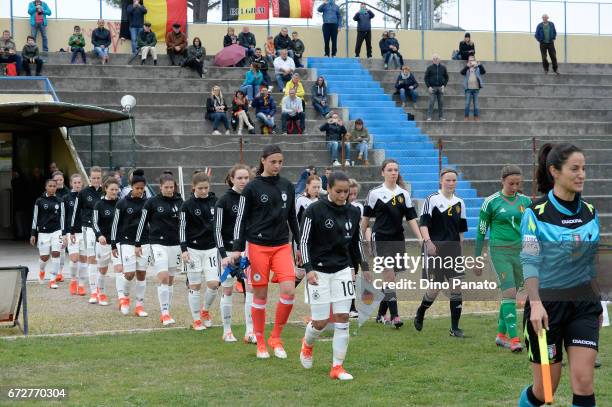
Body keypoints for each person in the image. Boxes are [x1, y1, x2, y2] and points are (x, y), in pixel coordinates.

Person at [517, 143, 601, 407]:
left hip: (583, 304)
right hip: (547, 306)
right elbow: (529, 260)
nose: (582, 175)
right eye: (574, 169)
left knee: (584, 382)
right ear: (554, 171)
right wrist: (536, 304)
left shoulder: (590, 212)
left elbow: (590, 262)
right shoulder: (534, 214)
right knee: (545, 391)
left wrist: (597, 303)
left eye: (584, 169)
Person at [229, 144, 302, 359]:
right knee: (260, 295)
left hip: (281, 246)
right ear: (263, 161)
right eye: (273, 162)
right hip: (257, 247)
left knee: (289, 290)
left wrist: (299, 246)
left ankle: (275, 337)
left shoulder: (288, 186)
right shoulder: (252, 188)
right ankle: (260, 341)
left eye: (280, 162)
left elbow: (293, 219)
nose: (277, 165)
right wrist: (236, 249)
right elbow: (240, 219)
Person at [299, 171, 369, 381]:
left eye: (346, 192)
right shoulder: (314, 210)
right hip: (318, 271)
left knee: (343, 318)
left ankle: (337, 367)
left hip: (342, 270)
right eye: (338, 191)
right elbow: (303, 242)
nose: (342, 196)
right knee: (320, 323)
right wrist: (308, 268)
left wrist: (364, 266)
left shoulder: (354, 212)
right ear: (328, 189)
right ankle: (307, 345)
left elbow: (356, 242)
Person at [475, 165, 531, 352]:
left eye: (518, 183)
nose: (514, 187)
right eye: (511, 183)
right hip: (499, 252)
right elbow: (481, 231)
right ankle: (514, 340)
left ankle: (500, 336)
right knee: (509, 292)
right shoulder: (491, 202)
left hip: (520, 252)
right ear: (502, 181)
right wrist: (476, 258)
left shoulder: (525, 201)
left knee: (513, 294)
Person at [362, 160, 422, 327]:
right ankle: (395, 316)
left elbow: (411, 218)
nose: (393, 172)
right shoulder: (374, 193)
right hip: (380, 238)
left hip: (398, 239)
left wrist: (419, 238)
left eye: (396, 170)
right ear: (383, 172)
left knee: (390, 279)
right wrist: (361, 240)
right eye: (390, 170)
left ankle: (381, 314)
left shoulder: (404, 194)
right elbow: (365, 220)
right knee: (389, 276)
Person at [414, 168, 468, 337]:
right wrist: (428, 242)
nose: (451, 183)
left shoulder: (460, 202)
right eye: (448, 180)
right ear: (441, 181)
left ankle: (455, 328)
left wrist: (460, 248)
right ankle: (421, 311)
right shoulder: (432, 199)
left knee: (456, 286)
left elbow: (461, 230)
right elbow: (423, 224)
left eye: (454, 180)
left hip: (453, 251)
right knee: (435, 287)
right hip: (435, 249)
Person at [135, 172, 183, 326]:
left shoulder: (180, 202)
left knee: (170, 280)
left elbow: (184, 224)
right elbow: (142, 223)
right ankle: (165, 314)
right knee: (163, 277)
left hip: (175, 245)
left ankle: (167, 309)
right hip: (157, 244)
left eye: (171, 187)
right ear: (160, 187)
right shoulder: (151, 203)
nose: (169, 190)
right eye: (166, 187)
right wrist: (138, 243)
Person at [215, 165, 255, 343]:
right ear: (232, 179)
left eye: (246, 178)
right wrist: (223, 254)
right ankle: (227, 330)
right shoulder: (223, 201)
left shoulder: (252, 199)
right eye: (240, 178)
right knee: (228, 289)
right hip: (228, 253)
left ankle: (250, 331)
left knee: (250, 289)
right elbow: (216, 231)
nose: (244, 181)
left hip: (248, 251)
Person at [180, 171, 220, 332]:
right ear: (193, 187)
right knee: (195, 286)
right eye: (200, 188)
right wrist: (184, 250)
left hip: (211, 249)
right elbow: (182, 228)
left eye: (206, 187)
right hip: (193, 249)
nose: (203, 191)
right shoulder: (187, 205)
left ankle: (205, 311)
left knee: (214, 284)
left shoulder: (216, 202)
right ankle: (196, 319)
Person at [111, 169, 150, 317]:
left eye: (142, 188)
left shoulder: (148, 203)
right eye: (137, 188)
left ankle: (139, 305)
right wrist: (114, 244)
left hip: (144, 242)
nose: (139, 191)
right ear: (131, 187)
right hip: (126, 242)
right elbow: (115, 225)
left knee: (141, 274)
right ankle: (125, 299)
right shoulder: (122, 203)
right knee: (129, 274)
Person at [70, 166, 103, 303]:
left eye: (98, 178)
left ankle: (101, 291)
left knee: (101, 262)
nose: (96, 180)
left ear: (101, 178)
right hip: (87, 229)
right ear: (89, 178)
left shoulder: (106, 191)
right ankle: (94, 292)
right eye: (93, 178)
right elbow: (75, 212)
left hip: (102, 231)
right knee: (91, 259)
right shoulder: (83, 193)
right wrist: (71, 230)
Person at [92, 177, 122, 306]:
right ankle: (101, 293)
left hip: (118, 243)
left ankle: (122, 298)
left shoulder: (121, 203)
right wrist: (99, 235)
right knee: (102, 270)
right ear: (106, 189)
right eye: (112, 189)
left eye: (116, 189)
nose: (114, 192)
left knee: (119, 269)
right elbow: (94, 222)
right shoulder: (99, 204)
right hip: (103, 243)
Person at [31, 179, 65, 289]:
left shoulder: (60, 201)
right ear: (46, 187)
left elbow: (63, 218)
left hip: (57, 231)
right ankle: (41, 271)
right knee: (44, 257)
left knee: (56, 254)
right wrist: (33, 234)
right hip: (43, 232)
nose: (52, 188)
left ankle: (52, 280)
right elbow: (35, 218)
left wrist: (64, 234)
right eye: (50, 186)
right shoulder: (39, 201)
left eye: (54, 186)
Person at [63, 174, 86, 295]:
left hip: (85, 232)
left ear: (82, 184)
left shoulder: (86, 197)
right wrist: (64, 234)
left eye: (79, 182)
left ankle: (81, 284)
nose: (77, 184)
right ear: (71, 184)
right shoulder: (67, 198)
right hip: (71, 233)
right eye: (75, 182)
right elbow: (63, 216)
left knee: (83, 259)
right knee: (74, 258)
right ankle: (73, 280)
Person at [424, 54, 449, 121]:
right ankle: (429, 116)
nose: (435, 59)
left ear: (439, 60)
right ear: (432, 60)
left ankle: (441, 117)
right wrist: (428, 87)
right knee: (431, 102)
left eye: (437, 58)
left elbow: (447, 77)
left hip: (440, 88)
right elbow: (426, 78)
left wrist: (444, 85)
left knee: (441, 103)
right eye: (434, 58)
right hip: (432, 88)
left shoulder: (443, 68)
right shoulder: (429, 68)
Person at [460, 56, 486, 121]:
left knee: (476, 104)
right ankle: (466, 116)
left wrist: (480, 65)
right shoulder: (467, 68)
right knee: (467, 103)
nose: (471, 61)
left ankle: (476, 116)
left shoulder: (478, 68)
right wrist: (467, 66)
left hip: (476, 89)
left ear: (475, 61)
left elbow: (483, 72)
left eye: (472, 60)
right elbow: (461, 72)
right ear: (468, 61)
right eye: (470, 60)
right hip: (468, 89)